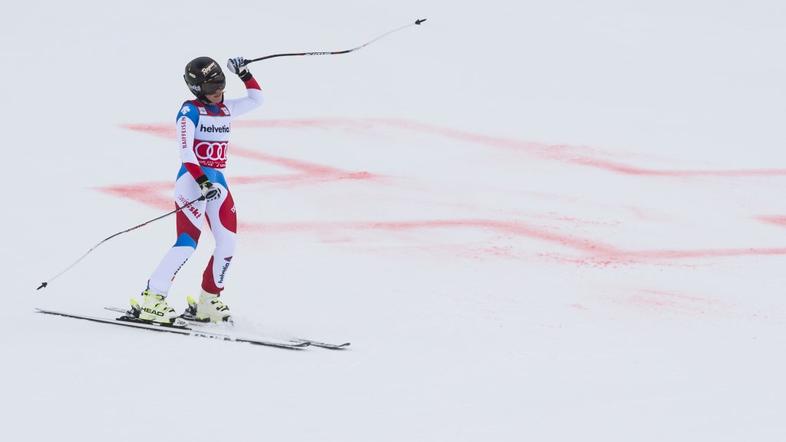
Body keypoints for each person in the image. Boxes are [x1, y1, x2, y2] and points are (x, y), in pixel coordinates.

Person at [135, 56, 263, 324]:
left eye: (221, 85)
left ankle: (208, 300)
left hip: (217, 182)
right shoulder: (189, 111)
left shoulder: (226, 108)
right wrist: (202, 182)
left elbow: (256, 100)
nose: (217, 93)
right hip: (193, 182)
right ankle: (152, 298)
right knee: (187, 243)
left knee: (228, 242)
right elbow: (187, 153)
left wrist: (245, 74)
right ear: (196, 90)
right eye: (210, 88)